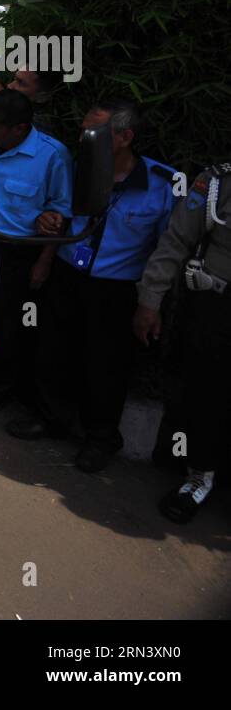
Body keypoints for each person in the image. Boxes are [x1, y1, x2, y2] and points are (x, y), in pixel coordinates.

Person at [7, 99, 176, 472]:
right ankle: (51, 419)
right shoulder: (78, 169)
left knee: (105, 366)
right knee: (52, 351)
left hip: (114, 289)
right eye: (82, 129)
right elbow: (58, 215)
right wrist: (48, 222)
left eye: (92, 132)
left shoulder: (160, 185)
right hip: (69, 275)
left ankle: (101, 439)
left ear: (124, 137)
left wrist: (152, 303)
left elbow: (169, 250)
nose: (82, 137)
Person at [133, 158, 231, 522]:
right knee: (206, 394)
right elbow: (175, 240)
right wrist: (150, 300)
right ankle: (198, 477)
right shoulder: (219, 184)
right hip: (217, 308)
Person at [0, 89, 72, 404]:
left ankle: (4, 392)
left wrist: (44, 262)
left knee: (12, 325)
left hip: (18, 253)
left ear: (19, 129)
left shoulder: (52, 156)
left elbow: (62, 213)